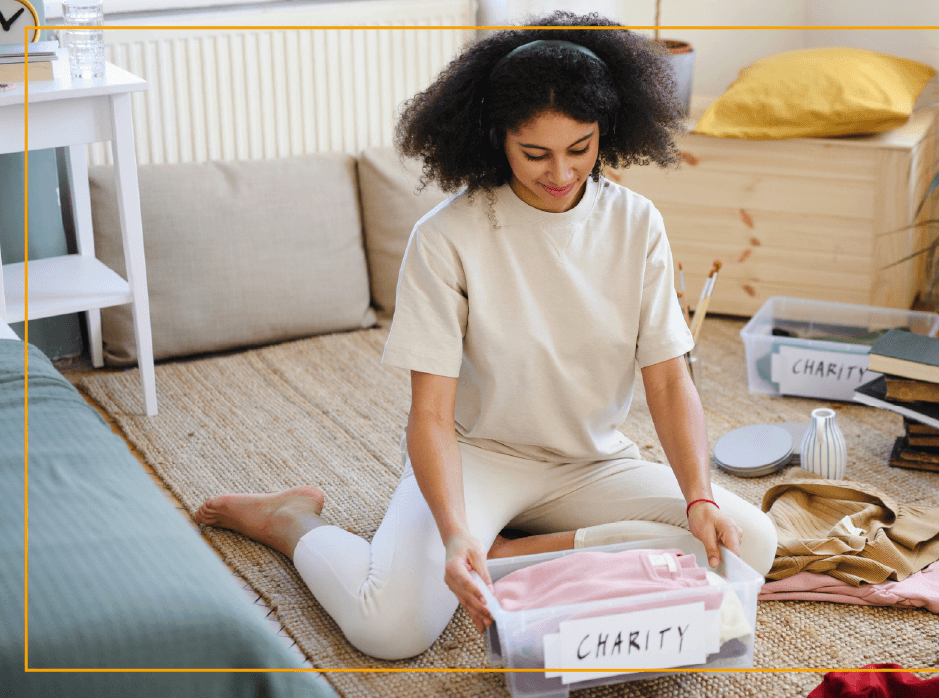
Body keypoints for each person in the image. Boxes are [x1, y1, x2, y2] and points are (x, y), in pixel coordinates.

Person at [194, 12, 777, 661]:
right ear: (496, 138)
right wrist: (451, 534)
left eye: (579, 148)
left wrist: (697, 494)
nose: (560, 173)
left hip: (593, 461)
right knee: (389, 630)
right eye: (535, 154)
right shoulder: (447, 238)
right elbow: (431, 415)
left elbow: (668, 379)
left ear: (606, 133)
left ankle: (512, 552)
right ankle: (292, 522)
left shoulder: (637, 224)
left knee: (749, 540)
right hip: (478, 457)